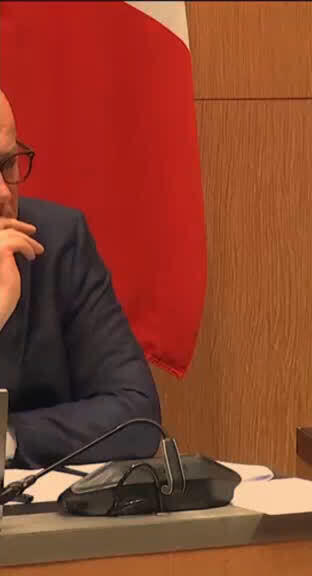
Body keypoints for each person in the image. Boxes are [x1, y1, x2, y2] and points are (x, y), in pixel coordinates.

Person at [0, 89, 161, 468]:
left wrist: (6, 439)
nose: (4, 193)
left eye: (8, 164)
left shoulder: (57, 242)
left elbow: (136, 414)